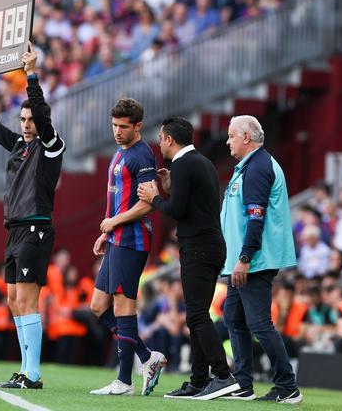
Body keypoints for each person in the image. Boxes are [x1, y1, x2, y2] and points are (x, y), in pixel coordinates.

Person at [0, 42, 65, 390]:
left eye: (30, 120)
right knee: (13, 299)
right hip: (14, 230)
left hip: (36, 228)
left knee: (27, 299)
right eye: (22, 119)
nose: (26, 124)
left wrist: (31, 74)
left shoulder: (51, 146)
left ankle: (33, 375)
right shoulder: (20, 146)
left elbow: (41, 111)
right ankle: (25, 369)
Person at [137, 117, 240, 400]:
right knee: (198, 315)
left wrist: (154, 196)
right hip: (209, 245)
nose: (159, 143)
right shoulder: (201, 162)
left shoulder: (183, 164)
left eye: (161, 137)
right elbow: (191, 203)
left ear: (170, 139)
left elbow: (177, 210)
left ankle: (222, 374)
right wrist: (169, 186)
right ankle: (197, 380)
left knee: (195, 315)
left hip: (199, 247)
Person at [220, 115, 303, 404]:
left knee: (259, 323)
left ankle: (287, 385)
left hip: (253, 260)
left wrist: (244, 257)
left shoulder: (257, 168)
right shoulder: (249, 166)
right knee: (233, 317)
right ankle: (242, 383)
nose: (227, 141)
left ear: (246, 137)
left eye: (231, 135)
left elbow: (256, 217)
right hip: (241, 260)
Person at [89, 98, 167, 396]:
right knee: (98, 305)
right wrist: (107, 230)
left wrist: (114, 222)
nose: (117, 131)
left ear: (137, 126)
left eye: (123, 126)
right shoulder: (121, 152)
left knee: (123, 304)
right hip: (116, 238)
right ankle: (148, 357)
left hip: (133, 239)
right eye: (114, 126)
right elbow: (118, 200)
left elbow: (148, 203)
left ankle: (124, 381)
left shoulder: (142, 154)